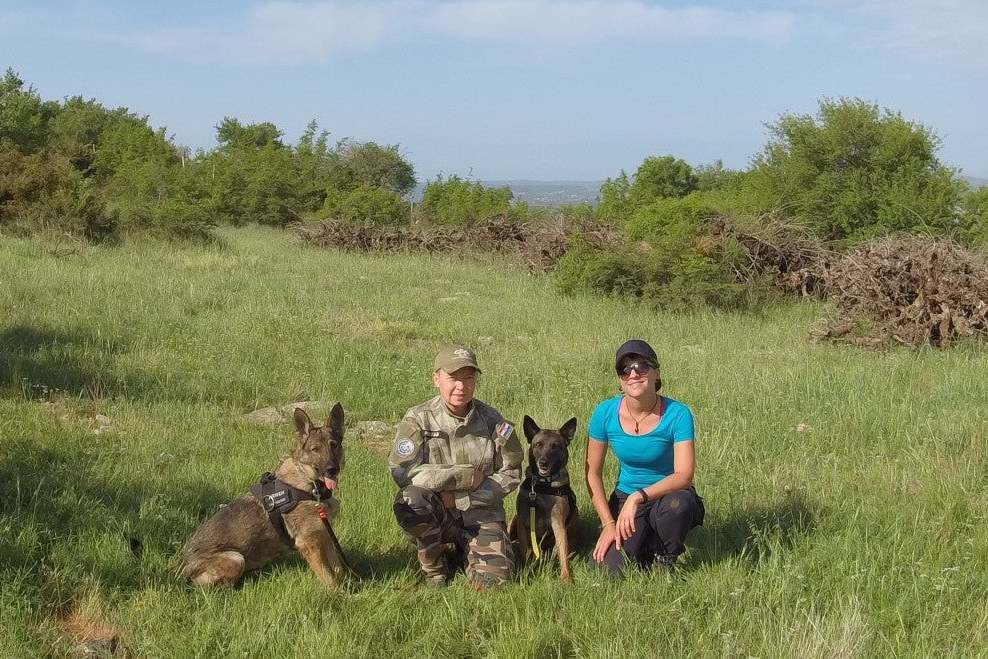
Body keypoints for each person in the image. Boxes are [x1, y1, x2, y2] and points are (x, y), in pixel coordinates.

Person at [389, 346, 522, 588]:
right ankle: (435, 569)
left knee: (494, 584)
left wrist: (460, 499)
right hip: (437, 513)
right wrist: (463, 477)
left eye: (468, 378)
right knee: (410, 499)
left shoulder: (494, 421)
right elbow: (403, 471)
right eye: (453, 378)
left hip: (482, 515)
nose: (461, 386)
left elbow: (511, 473)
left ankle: (467, 552)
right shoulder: (418, 419)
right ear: (436, 379)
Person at [586, 339, 704, 576]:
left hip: (668, 495)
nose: (633, 373)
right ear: (620, 379)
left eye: (642, 366)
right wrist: (609, 523)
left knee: (678, 505)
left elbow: (684, 476)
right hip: (625, 499)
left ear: (656, 372)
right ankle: (646, 544)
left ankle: (665, 557)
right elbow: (592, 473)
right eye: (625, 369)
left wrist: (638, 497)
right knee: (606, 571)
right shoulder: (604, 413)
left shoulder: (678, 414)